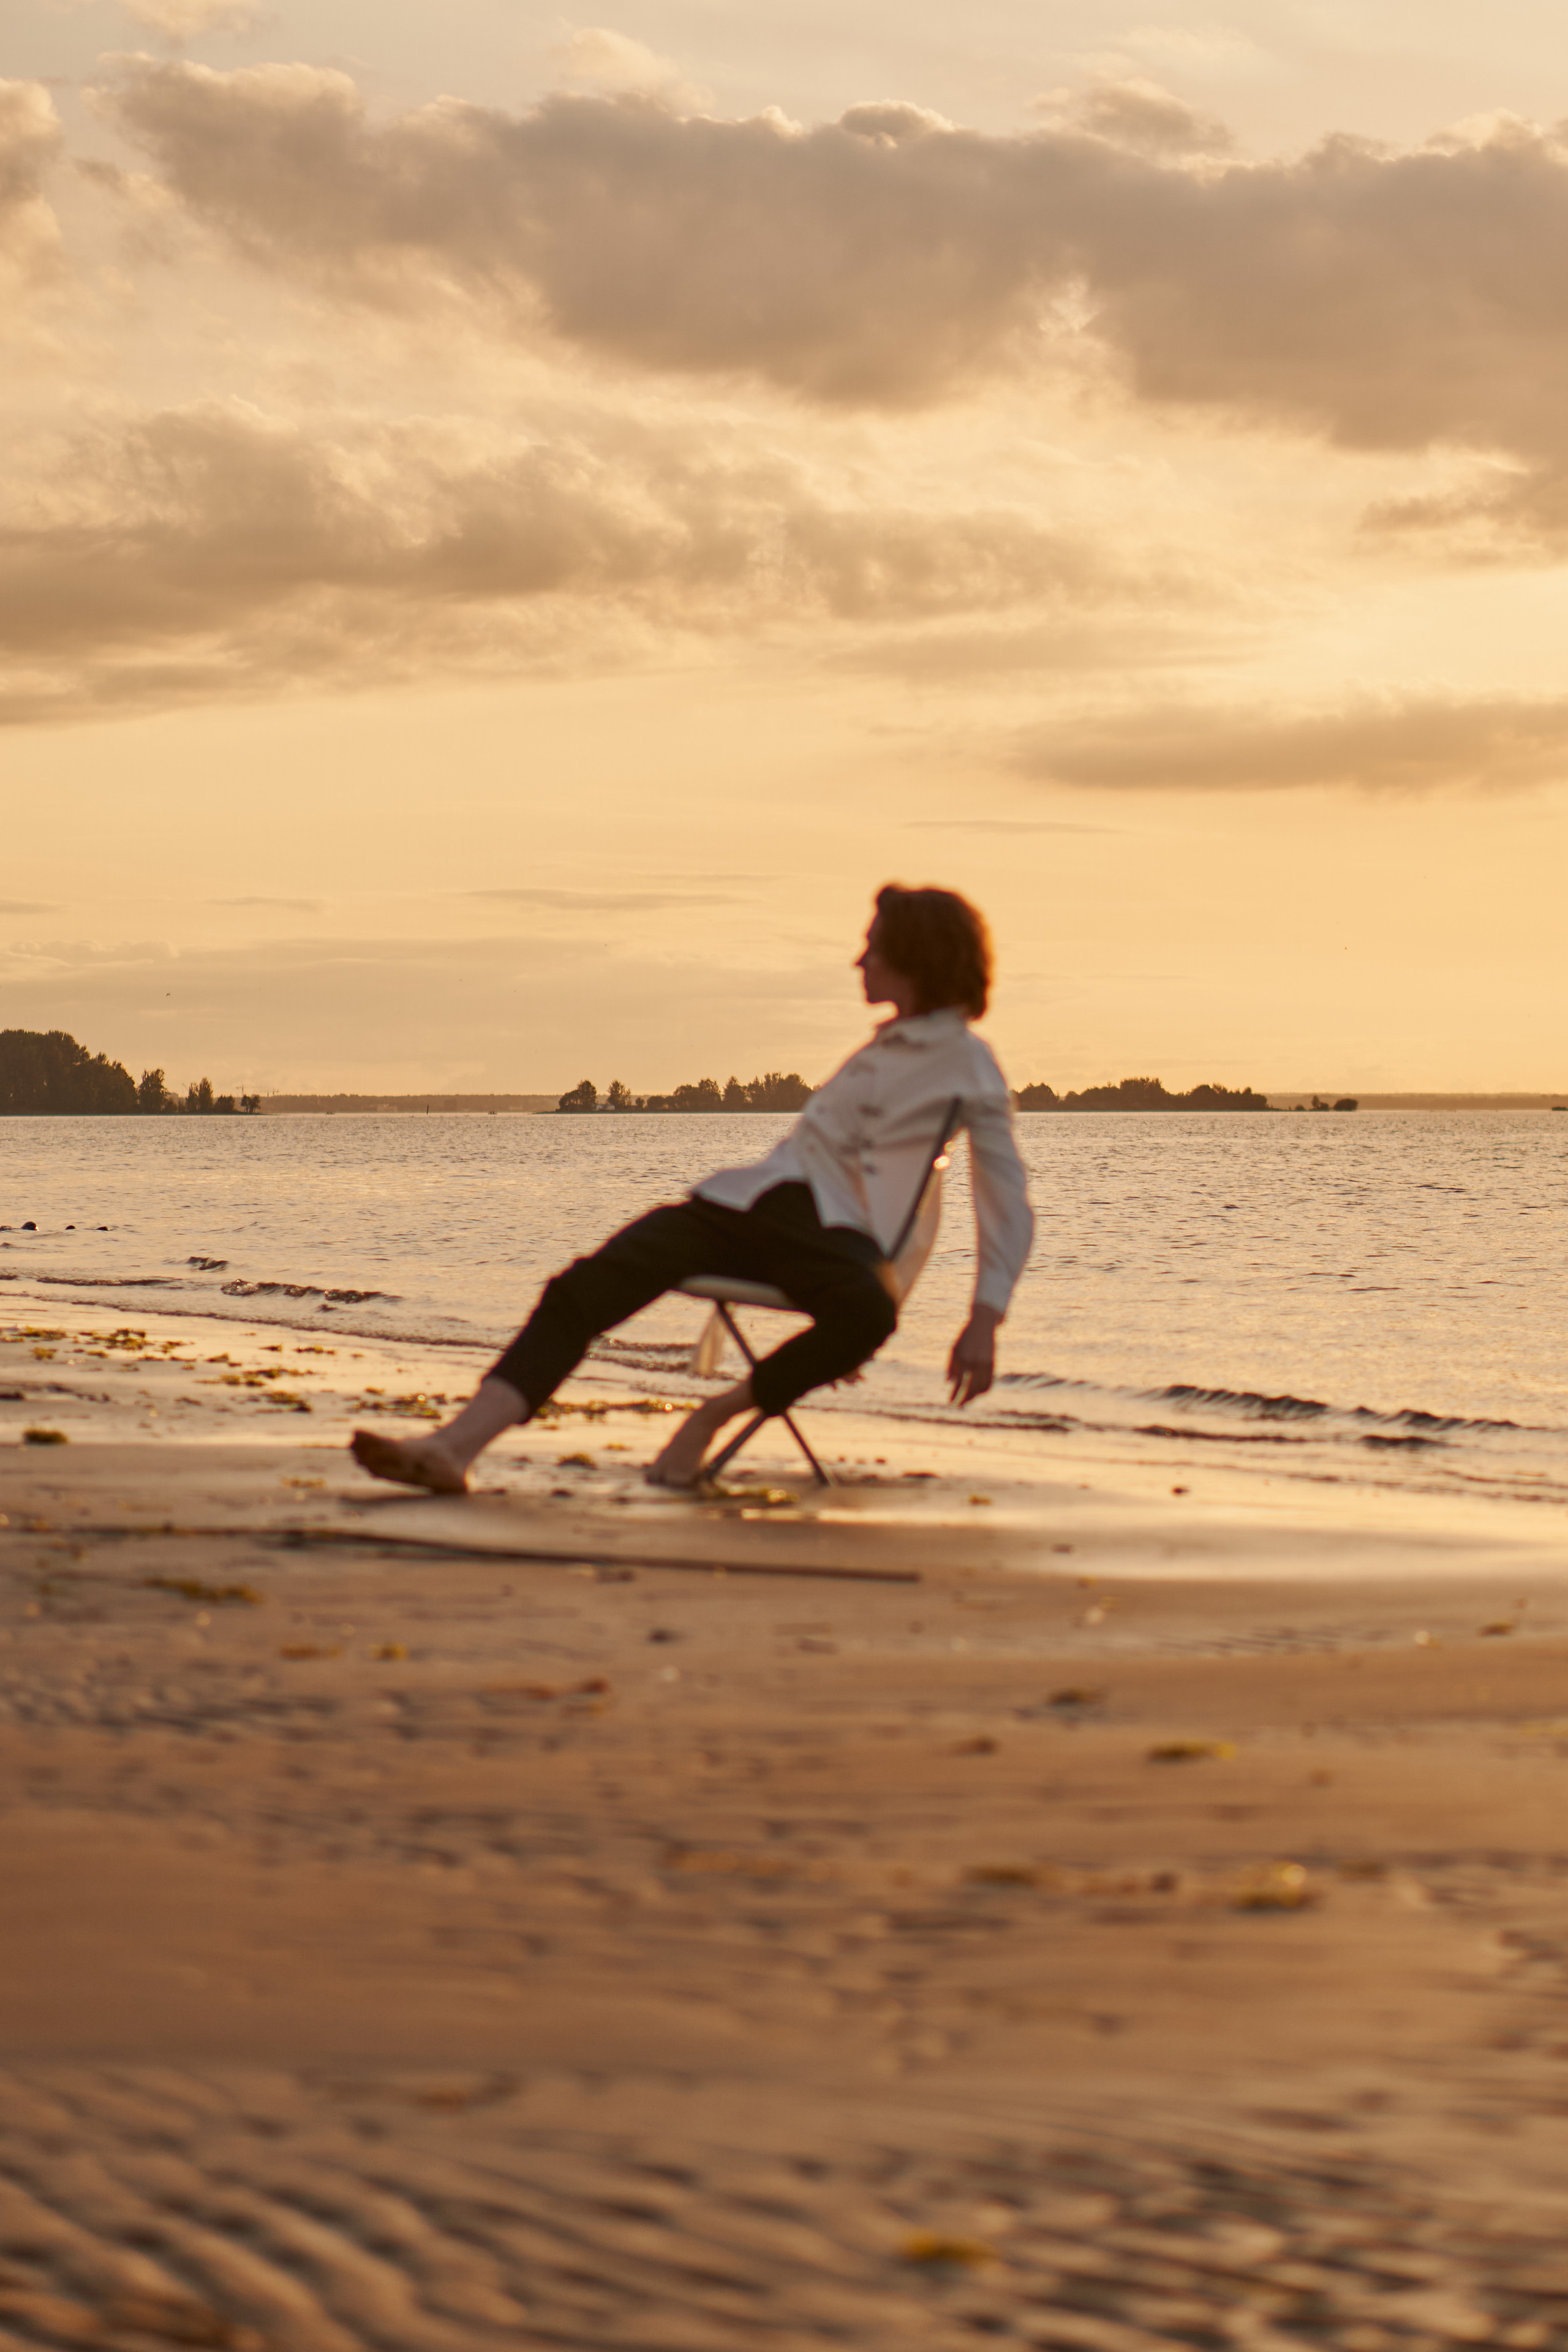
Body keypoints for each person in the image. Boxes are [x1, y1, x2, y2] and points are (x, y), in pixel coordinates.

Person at [349, 884, 1034, 1494]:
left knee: (869, 1315)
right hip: (744, 1204)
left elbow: (1003, 1197)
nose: (860, 962)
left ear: (914, 958)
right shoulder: (879, 1048)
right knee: (579, 1290)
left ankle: (708, 1420)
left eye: (872, 949)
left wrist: (985, 1318)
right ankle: (453, 1448)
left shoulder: (967, 1064)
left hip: (829, 1235)